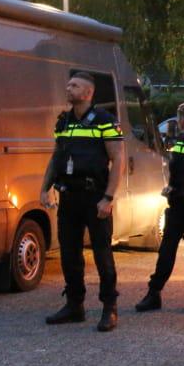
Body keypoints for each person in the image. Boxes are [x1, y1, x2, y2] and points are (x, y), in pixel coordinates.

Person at [40, 72, 123, 331]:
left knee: (102, 254)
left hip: (95, 196)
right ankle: (75, 305)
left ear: (88, 93)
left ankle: (109, 306)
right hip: (69, 196)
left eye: (74, 85)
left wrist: (108, 198)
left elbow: (118, 159)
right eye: (68, 84)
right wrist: (45, 188)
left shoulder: (104, 121)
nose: (68, 88)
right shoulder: (63, 122)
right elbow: (56, 158)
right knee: (69, 253)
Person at [135, 102, 184, 314]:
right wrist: (170, 188)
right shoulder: (179, 140)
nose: (177, 122)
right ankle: (154, 293)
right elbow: (175, 170)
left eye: (178, 118)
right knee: (167, 249)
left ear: (183, 120)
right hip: (178, 203)